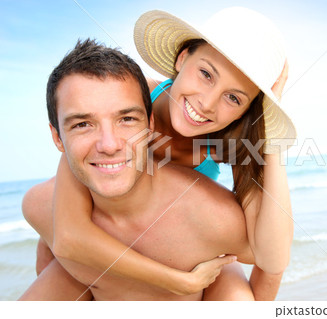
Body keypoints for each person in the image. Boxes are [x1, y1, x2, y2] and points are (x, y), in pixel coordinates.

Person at [24, 7, 296, 300]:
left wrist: (270, 137)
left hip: (175, 240)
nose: (206, 103)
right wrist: (176, 281)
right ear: (182, 58)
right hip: (104, 228)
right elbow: (66, 236)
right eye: (206, 74)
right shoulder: (129, 101)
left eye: (233, 97)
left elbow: (273, 259)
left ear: (245, 110)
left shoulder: (231, 143)